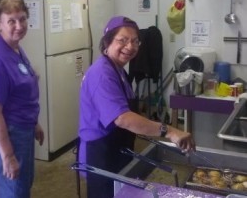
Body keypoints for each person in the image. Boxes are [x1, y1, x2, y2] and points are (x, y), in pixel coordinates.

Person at [77, 16, 195, 198]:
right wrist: (169, 131)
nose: (130, 46)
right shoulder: (102, 74)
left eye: (134, 41)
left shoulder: (118, 70)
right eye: (122, 40)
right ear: (107, 42)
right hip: (100, 154)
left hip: (116, 149)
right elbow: (123, 118)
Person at [0, 0, 44, 198]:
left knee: (23, 184)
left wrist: (34, 123)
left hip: (22, 128)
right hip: (9, 132)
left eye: (22, 18)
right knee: (14, 189)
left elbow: (20, 92)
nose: (19, 25)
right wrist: (7, 155)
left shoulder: (14, 48)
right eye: (11, 21)